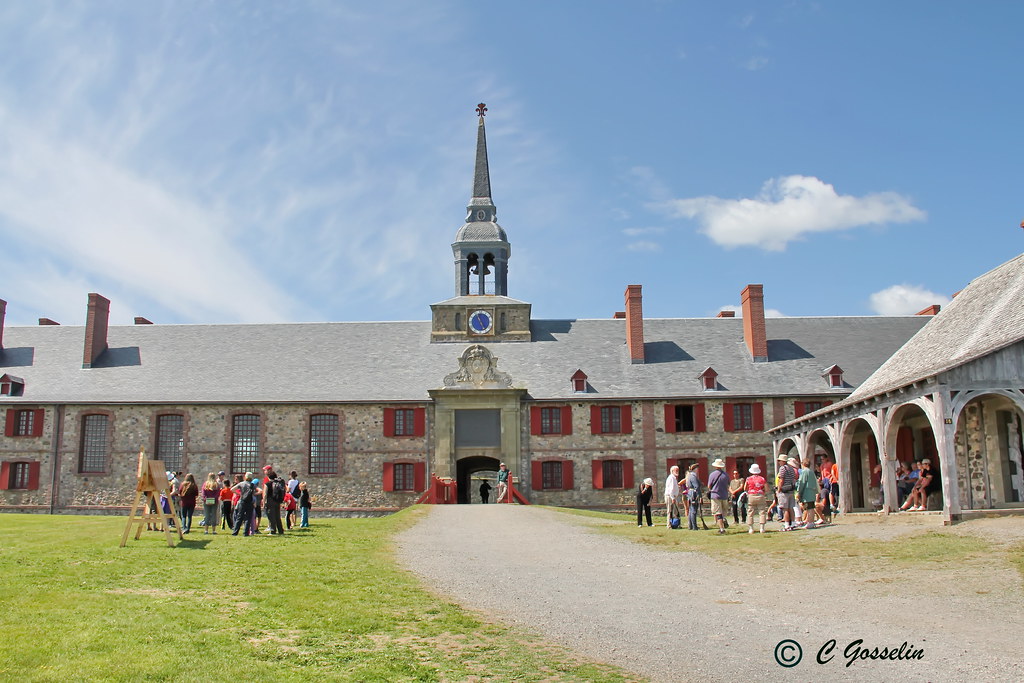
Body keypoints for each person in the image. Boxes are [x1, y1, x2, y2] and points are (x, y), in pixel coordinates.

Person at [796, 458, 822, 529]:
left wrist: (799, 492)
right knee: (811, 507)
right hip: (812, 492)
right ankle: (811, 521)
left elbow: (802, 482)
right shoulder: (811, 472)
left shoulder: (804, 472)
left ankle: (810, 522)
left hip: (807, 493)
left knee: (809, 508)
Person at [708, 459, 730, 534]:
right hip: (724, 495)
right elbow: (728, 485)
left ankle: (721, 529)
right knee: (723, 512)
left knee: (718, 513)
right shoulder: (726, 475)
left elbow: (709, 486)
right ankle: (723, 520)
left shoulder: (712, 475)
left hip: (715, 495)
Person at [744, 463, 768, 534]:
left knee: (750, 512)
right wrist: (762, 491)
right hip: (760, 495)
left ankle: (751, 529)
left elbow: (745, 488)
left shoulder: (748, 479)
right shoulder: (762, 479)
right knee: (762, 512)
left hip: (751, 495)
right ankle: (762, 528)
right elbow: (766, 489)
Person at [776, 454, 797, 531]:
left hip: (784, 490)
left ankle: (787, 524)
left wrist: (778, 489)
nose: (779, 462)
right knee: (791, 508)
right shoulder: (791, 468)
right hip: (791, 489)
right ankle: (793, 523)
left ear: (782, 461)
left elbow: (781, 479)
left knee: (785, 509)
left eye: (779, 461)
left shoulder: (782, 468)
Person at [263, 466, 286, 535]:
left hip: (270, 501)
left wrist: (264, 502)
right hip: (277, 501)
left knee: (271, 516)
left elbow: (265, 494)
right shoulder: (278, 483)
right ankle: (280, 530)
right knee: (277, 517)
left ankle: (273, 530)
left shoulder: (268, 484)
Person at [684, 464, 701, 531]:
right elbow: (696, 486)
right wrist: (699, 495)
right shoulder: (693, 476)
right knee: (693, 510)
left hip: (690, 493)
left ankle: (691, 525)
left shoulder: (689, 476)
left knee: (691, 510)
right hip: (694, 493)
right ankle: (694, 526)